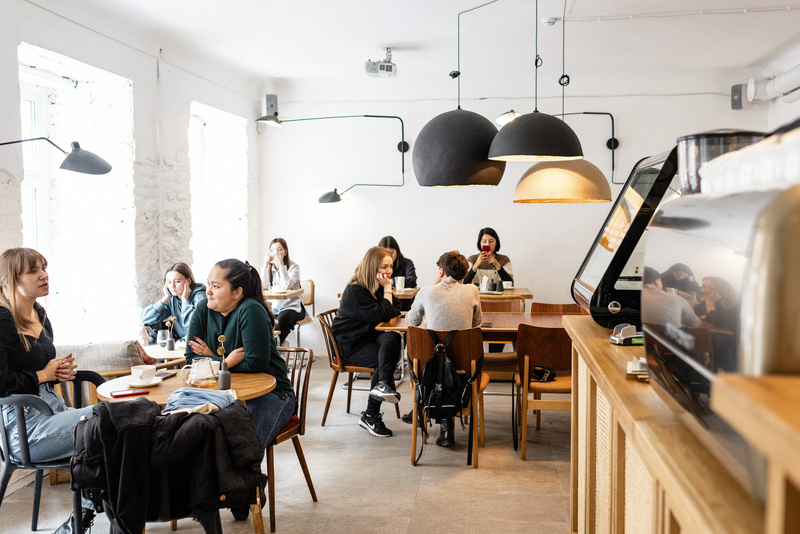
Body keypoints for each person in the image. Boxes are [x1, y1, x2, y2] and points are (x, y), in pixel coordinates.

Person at [185, 259, 295, 521]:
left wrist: (212, 360)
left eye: (215, 286)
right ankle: (235, 488)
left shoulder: (251, 310)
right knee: (199, 427)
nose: (207, 291)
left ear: (237, 292)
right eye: (207, 284)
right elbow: (191, 360)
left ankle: (241, 490)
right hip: (223, 393)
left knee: (244, 439)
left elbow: (256, 362)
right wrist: (226, 361)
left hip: (271, 393)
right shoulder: (202, 309)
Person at [0, 248, 96, 533]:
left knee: (119, 423)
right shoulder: (3, 320)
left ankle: (87, 516)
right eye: (33, 271)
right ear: (9, 279)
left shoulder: (38, 312)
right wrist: (42, 374)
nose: (44, 275)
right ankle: (91, 515)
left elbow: (36, 369)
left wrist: (56, 374)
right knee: (112, 418)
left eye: (43, 267)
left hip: (54, 410)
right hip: (25, 427)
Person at [405, 251, 482, 447]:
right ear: (464, 275)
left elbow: (411, 321)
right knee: (453, 357)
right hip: (464, 371)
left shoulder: (425, 291)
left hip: (429, 370)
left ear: (441, 271)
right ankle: (447, 427)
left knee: (422, 352)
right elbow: (477, 323)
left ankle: (423, 407)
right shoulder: (472, 291)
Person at [331, 247, 402, 438]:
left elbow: (396, 308)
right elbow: (383, 313)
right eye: (384, 266)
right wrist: (388, 288)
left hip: (367, 336)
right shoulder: (355, 291)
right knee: (384, 360)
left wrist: (385, 290)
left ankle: (384, 384)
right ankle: (370, 415)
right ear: (372, 267)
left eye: (390, 266)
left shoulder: (375, 286)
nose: (388, 271)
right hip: (350, 344)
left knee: (393, 337)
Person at [140, 262, 207, 342]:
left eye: (177, 281)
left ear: (188, 281)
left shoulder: (200, 296)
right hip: (182, 344)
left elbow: (195, 325)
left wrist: (185, 301)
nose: (172, 286)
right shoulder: (173, 299)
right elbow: (144, 318)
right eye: (169, 282)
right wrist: (164, 299)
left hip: (200, 344)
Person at [260, 238, 307, 347]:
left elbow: (287, 286)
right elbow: (263, 286)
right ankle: (279, 345)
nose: (276, 253)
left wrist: (281, 265)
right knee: (263, 318)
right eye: (273, 250)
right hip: (275, 307)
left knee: (282, 319)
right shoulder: (269, 267)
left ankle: (276, 345)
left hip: (293, 307)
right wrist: (265, 265)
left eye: (279, 249)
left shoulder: (293, 267)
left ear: (285, 252)